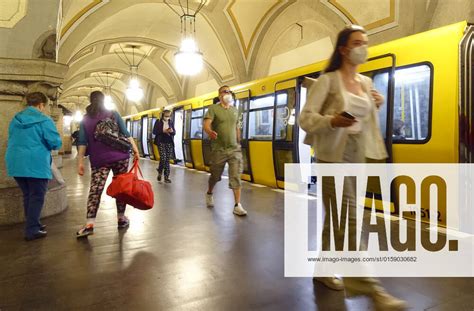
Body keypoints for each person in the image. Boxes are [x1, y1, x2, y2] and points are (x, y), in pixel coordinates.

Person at [299, 25, 406, 310]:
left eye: (365, 42)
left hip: (357, 155)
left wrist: (376, 105)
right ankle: (373, 291)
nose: (364, 47)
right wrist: (332, 121)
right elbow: (305, 118)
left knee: (337, 218)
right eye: (358, 42)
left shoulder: (366, 82)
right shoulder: (328, 81)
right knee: (348, 220)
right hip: (332, 156)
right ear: (344, 49)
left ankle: (322, 272)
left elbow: (363, 119)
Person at [76, 91, 139, 238]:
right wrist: (135, 150)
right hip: (121, 157)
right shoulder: (113, 114)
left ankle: (90, 224)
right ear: (104, 101)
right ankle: (121, 219)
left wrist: (80, 162)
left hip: (99, 160)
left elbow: (82, 142)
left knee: (95, 190)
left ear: (90, 100)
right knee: (121, 188)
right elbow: (126, 134)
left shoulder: (85, 119)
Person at [5, 92, 62, 241]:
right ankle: (32, 230)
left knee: (28, 195)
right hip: (35, 163)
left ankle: (34, 223)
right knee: (37, 196)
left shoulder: (15, 119)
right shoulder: (44, 120)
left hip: (16, 162)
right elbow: (54, 142)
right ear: (41, 105)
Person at [203, 85, 247, 216]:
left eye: (229, 91)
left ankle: (237, 205)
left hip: (234, 149)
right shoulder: (213, 109)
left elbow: (237, 126)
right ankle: (210, 192)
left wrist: (238, 140)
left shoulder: (235, 110)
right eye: (224, 91)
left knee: (236, 176)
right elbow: (206, 124)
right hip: (219, 149)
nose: (227, 93)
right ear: (219, 95)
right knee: (215, 176)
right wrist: (210, 132)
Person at [152, 109, 175, 183]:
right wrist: (163, 131)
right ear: (163, 114)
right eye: (166, 115)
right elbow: (154, 131)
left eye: (169, 115)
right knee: (163, 157)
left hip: (169, 142)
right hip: (161, 141)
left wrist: (172, 131)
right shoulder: (158, 121)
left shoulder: (170, 122)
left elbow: (174, 132)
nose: (167, 116)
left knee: (167, 159)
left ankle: (166, 177)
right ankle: (160, 171)